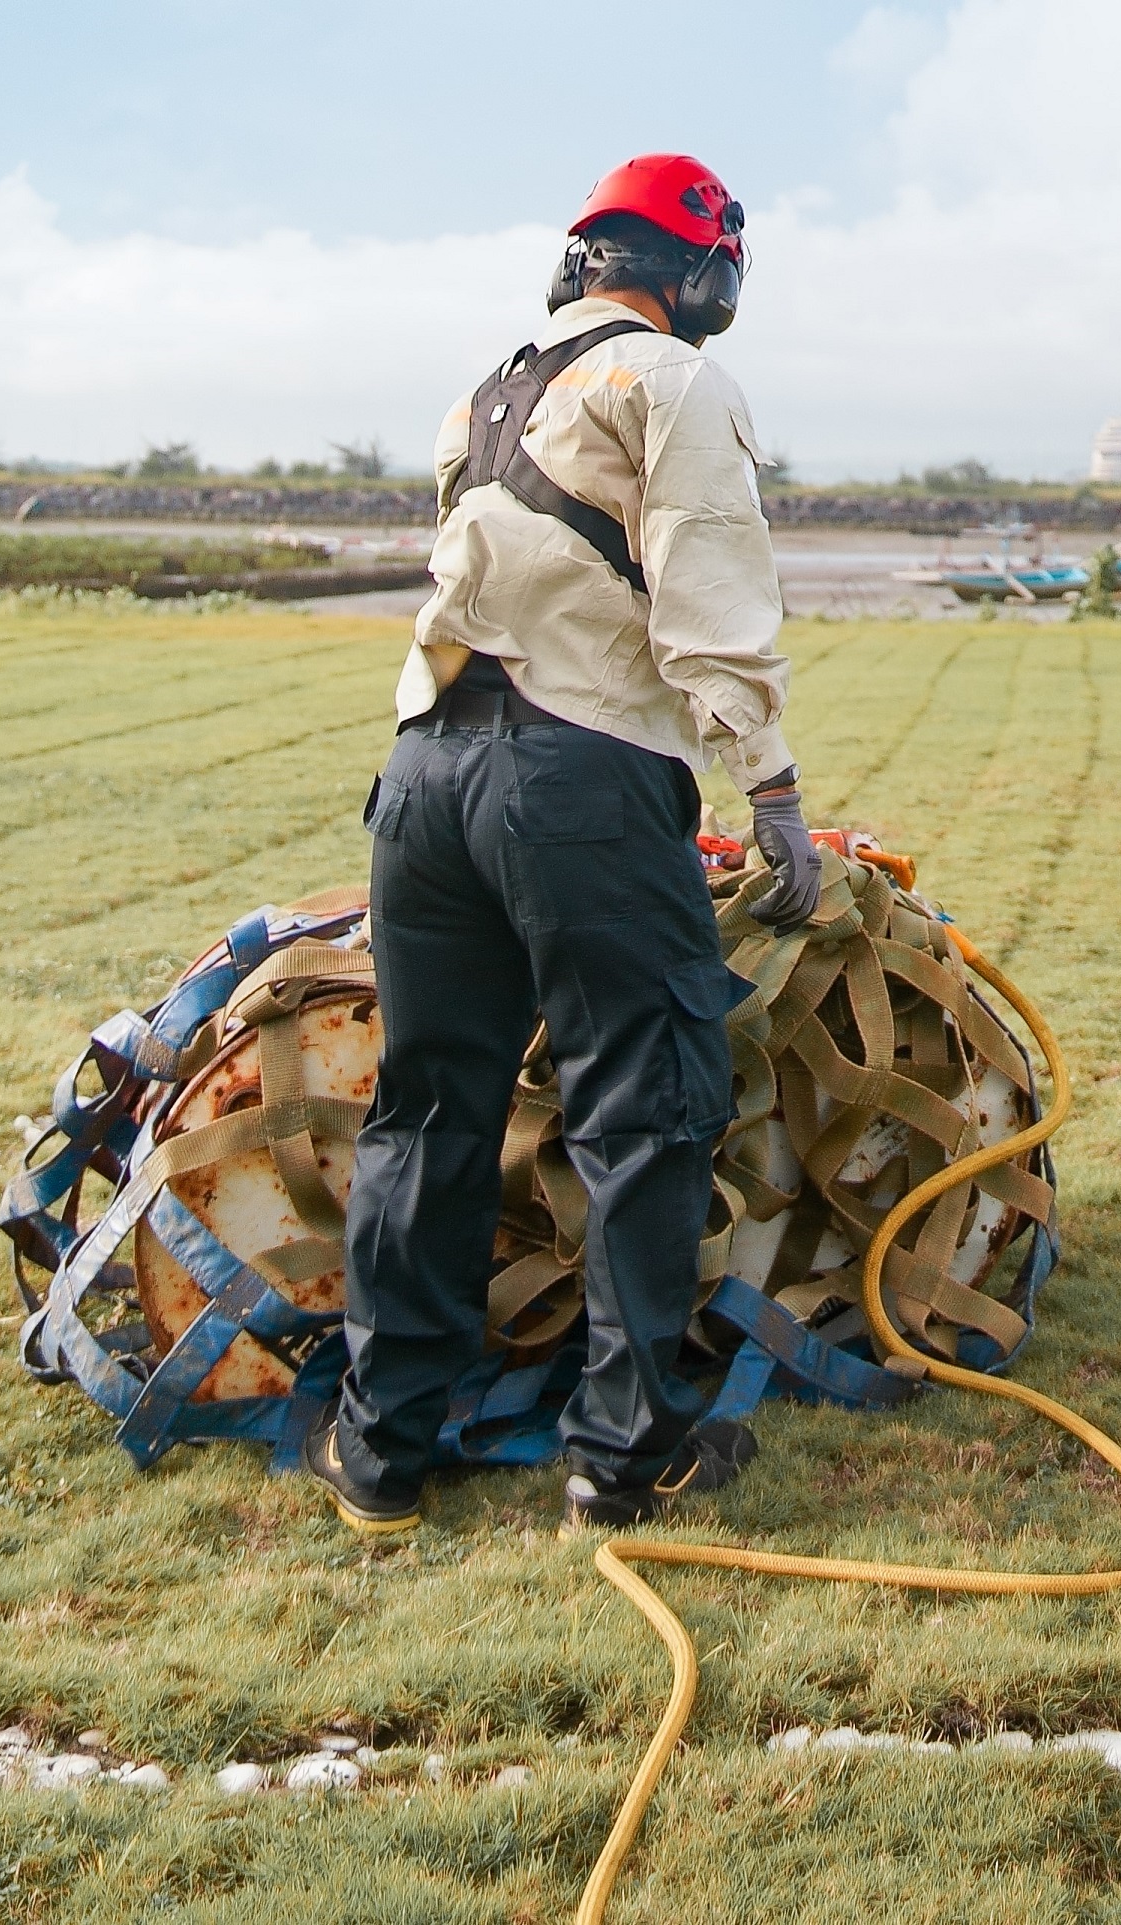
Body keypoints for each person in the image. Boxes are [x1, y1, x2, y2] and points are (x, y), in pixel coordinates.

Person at [304, 154, 831, 1538]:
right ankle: (623, 1452)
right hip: (578, 778)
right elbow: (707, 592)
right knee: (647, 1112)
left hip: (426, 773)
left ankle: (382, 1448)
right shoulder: (674, 385)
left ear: (582, 257)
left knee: (430, 1105)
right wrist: (768, 787)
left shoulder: (485, 394)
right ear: (701, 271)